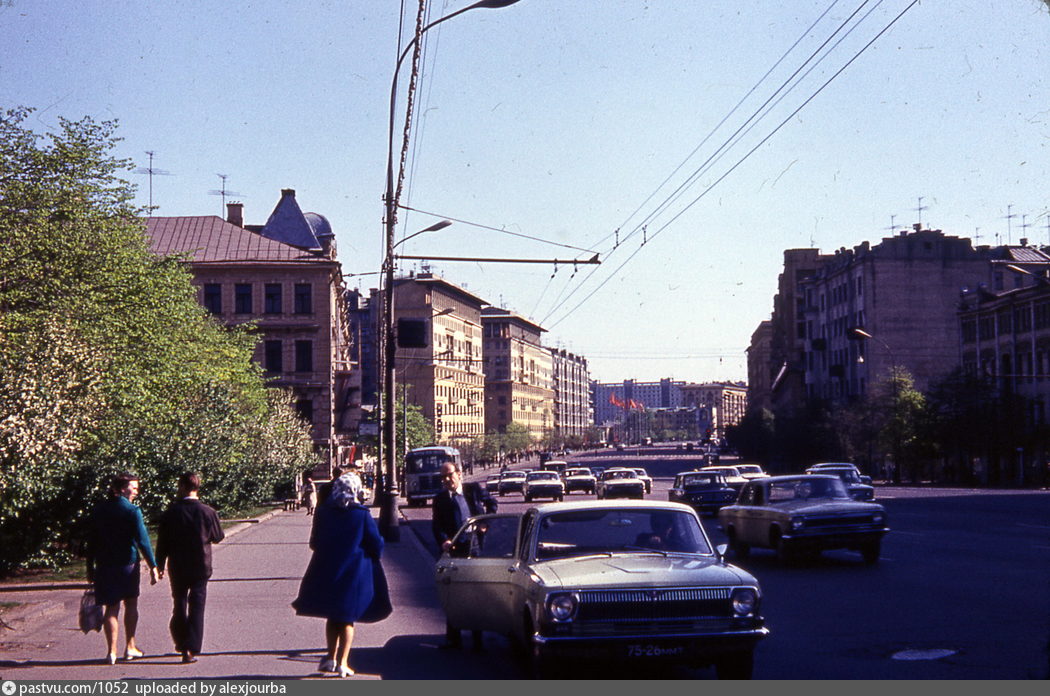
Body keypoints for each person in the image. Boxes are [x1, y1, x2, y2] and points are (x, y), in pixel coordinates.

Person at [293, 473, 385, 678]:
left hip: (326, 569)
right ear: (355, 489)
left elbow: (314, 542)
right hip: (353, 572)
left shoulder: (323, 512)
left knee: (333, 615)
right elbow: (376, 543)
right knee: (347, 617)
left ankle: (330, 658)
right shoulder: (361, 514)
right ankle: (343, 662)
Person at [85, 472, 160, 665]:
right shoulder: (133, 511)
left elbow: (91, 541)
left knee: (111, 607)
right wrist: (153, 565)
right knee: (131, 604)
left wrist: (89, 566)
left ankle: (111, 652)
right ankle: (130, 646)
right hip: (128, 564)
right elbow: (143, 540)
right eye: (133, 487)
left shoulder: (99, 510)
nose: (136, 491)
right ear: (120, 489)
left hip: (104, 564)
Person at [155, 472, 225, 664]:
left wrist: (159, 564)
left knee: (179, 603)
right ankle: (191, 648)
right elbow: (218, 536)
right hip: (201, 565)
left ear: (182, 487)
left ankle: (180, 642)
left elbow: (162, 542)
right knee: (197, 606)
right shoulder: (208, 512)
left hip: (177, 565)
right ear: (198, 487)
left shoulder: (171, 512)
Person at [431, 462, 495, 650]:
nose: (446, 480)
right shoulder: (440, 499)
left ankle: (477, 639)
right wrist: (443, 541)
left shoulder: (473, 489)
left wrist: (485, 523)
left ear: (459, 474)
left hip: (474, 546)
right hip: (454, 550)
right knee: (453, 593)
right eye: (442, 477)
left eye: (449, 475)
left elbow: (492, 503)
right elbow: (437, 525)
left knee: (476, 593)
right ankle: (453, 638)